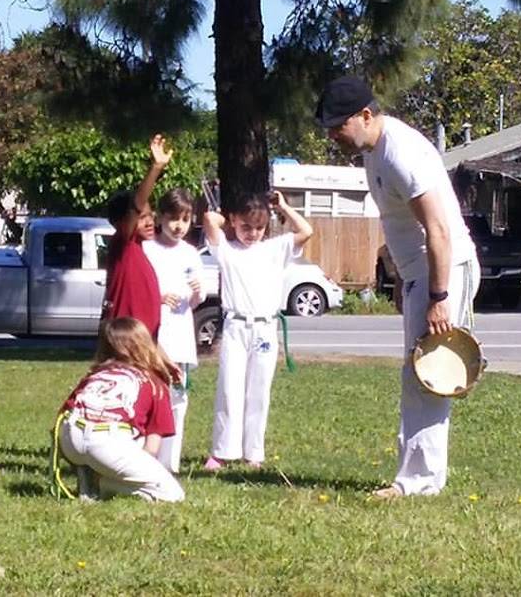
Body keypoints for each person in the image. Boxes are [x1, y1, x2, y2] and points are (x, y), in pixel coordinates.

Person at [317, 74, 480, 499]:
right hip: (418, 273)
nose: (334, 135)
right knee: (416, 372)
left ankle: (420, 482)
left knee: (429, 374)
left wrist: (439, 297)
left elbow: (439, 229)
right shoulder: (374, 152)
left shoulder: (400, 153)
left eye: (338, 125)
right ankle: (415, 476)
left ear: (366, 115)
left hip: (442, 269)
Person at [202, 191, 313, 471]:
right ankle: (223, 450)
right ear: (235, 221)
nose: (252, 233)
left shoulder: (275, 248)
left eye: (259, 228)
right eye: (245, 226)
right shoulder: (226, 250)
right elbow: (208, 218)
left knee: (259, 390)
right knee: (230, 388)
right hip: (236, 326)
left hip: (264, 327)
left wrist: (283, 206)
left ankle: (253, 451)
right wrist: (227, 218)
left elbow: (305, 231)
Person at [55, 317, 185, 502]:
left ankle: (87, 471)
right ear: (145, 345)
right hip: (106, 441)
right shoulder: (155, 382)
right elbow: (152, 446)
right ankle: (102, 483)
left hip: (70, 437)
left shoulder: (95, 375)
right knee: (173, 495)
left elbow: (62, 416)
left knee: (120, 438)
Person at [143, 188, 205, 473]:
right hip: (153, 335)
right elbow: (139, 291)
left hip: (180, 335)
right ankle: (145, 457)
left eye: (185, 219)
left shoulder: (191, 253)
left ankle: (170, 462)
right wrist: (157, 297)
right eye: (173, 219)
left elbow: (197, 298)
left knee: (178, 398)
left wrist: (196, 292)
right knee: (151, 393)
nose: (179, 226)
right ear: (160, 217)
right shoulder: (147, 249)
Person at [102, 134, 172, 337]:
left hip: (144, 344)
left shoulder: (139, 251)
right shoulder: (123, 244)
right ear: (122, 222)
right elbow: (135, 206)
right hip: (126, 344)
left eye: (151, 216)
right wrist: (156, 168)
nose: (150, 222)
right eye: (142, 218)